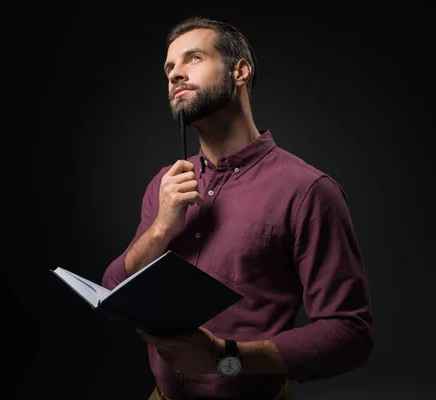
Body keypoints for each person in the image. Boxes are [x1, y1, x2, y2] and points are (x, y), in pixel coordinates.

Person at [101, 16, 374, 400]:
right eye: (169, 68)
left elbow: (351, 332)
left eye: (193, 58)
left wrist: (224, 357)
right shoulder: (166, 185)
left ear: (240, 71)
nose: (176, 74)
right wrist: (161, 228)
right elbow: (112, 290)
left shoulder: (308, 190)